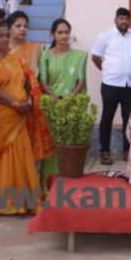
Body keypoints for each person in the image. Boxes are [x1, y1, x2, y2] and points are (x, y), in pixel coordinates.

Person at [0, 21, 41, 215]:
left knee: (21, 156)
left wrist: (28, 100)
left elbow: (26, 82)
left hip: (18, 115)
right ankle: (3, 203)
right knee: (3, 159)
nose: (5, 39)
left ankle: (24, 201)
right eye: (0, 36)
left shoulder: (14, 58)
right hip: (0, 116)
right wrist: (15, 104)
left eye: (7, 35)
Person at [91, 7, 131, 165]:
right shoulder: (105, 35)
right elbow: (95, 57)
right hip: (110, 84)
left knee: (129, 119)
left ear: (129, 20)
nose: (124, 21)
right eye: (121, 18)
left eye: (126, 18)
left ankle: (127, 151)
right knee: (107, 117)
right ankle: (105, 151)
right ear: (115, 19)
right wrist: (107, 71)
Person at [39, 18, 88, 183]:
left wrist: (69, 99)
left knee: (69, 144)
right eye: (60, 32)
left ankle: (69, 182)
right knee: (52, 144)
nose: (63, 36)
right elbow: (43, 80)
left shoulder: (79, 56)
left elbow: (81, 81)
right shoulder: (45, 55)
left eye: (66, 32)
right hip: (52, 106)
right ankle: (48, 182)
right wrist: (54, 99)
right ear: (53, 34)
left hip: (71, 105)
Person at [6, 11, 54, 169]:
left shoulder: (35, 49)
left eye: (25, 26)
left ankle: (30, 179)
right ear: (9, 28)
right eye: (18, 26)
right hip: (9, 103)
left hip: (31, 104)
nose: (23, 29)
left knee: (31, 145)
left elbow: (43, 76)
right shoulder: (2, 51)